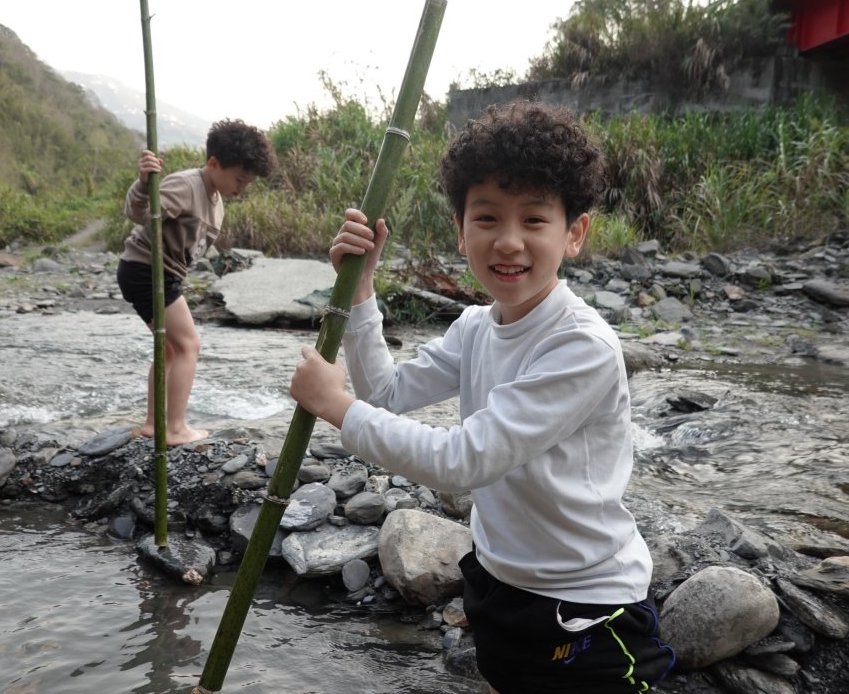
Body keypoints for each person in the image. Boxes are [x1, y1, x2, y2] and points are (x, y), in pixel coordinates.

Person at [289, 101, 675, 693]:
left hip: (586, 605)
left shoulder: (582, 344)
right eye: (488, 218)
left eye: (535, 221)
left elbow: (465, 461)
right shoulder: (475, 326)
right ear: (460, 229)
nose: (510, 242)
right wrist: (363, 291)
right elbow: (387, 394)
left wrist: (335, 407)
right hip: (499, 582)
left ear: (575, 233)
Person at [117, 119, 277, 446]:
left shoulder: (217, 199)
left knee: (171, 348)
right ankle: (174, 428)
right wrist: (143, 183)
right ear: (213, 163)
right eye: (239, 179)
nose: (242, 188)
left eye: (248, 183)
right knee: (189, 345)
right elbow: (140, 212)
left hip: (159, 274)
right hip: (146, 270)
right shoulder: (186, 186)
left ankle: (153, 424)